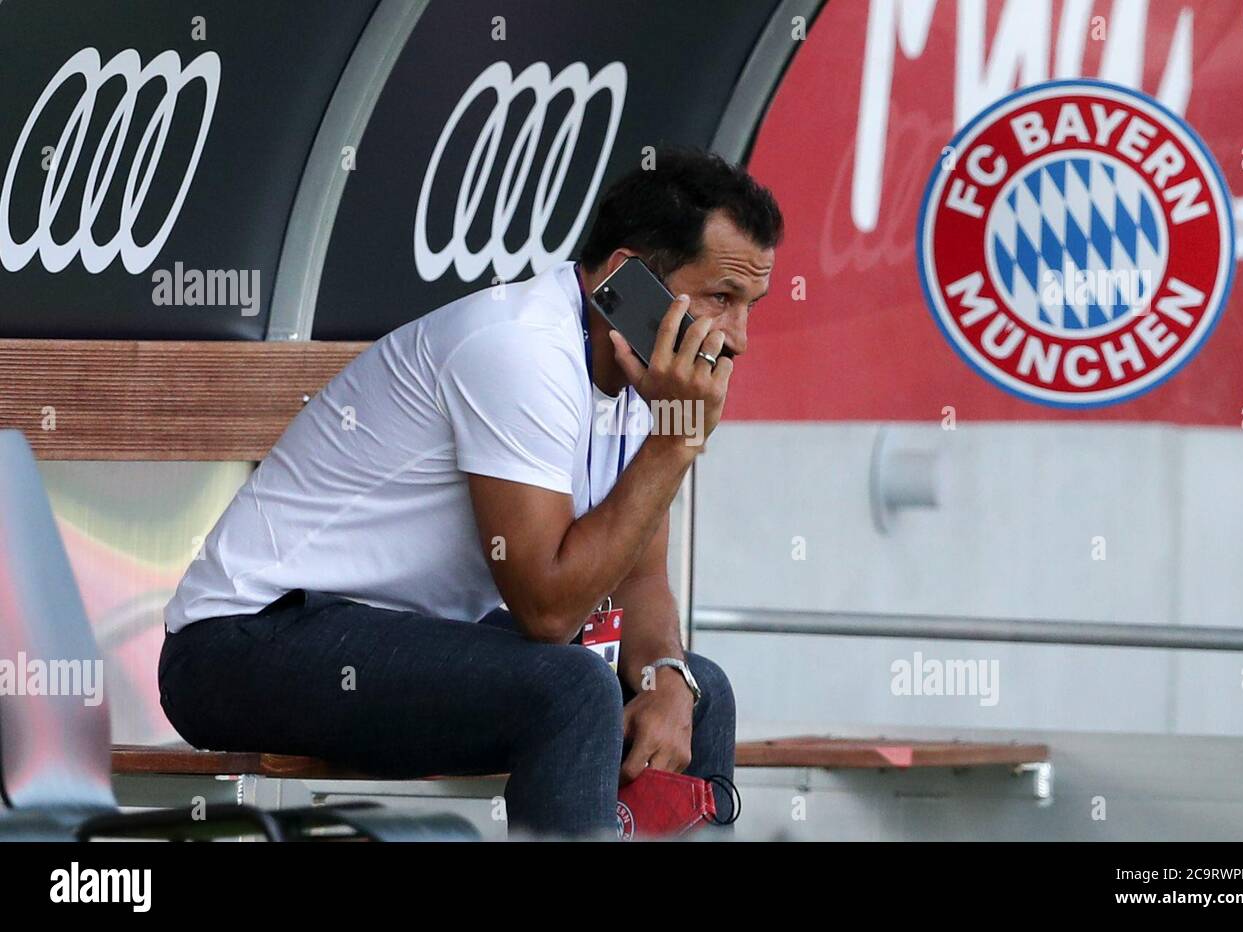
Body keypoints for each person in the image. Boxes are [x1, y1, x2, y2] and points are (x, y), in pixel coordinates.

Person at [157, 146, 783, 838]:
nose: (740, 341)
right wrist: (676, 442)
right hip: (247, 642)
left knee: (700, 690)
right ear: (627, 280)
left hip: (411, 640)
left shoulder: (651, 373)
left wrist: (666, 673)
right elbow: (547, 611)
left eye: (750, 305)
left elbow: (639, 581)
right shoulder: (520, 347)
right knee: (572, 687)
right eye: (721, 297)